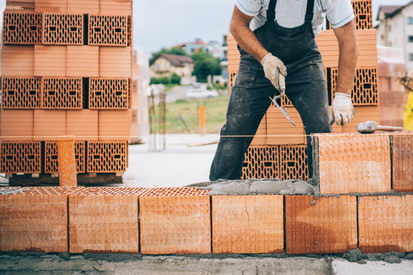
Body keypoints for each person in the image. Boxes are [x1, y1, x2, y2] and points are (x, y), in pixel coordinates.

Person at [210, 0, 358, 181]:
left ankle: (324, 192)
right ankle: (219, 193)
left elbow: (348, 39)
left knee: (320, 130)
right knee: (236, 131)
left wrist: (343, 95)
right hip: (257, 59)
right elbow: (237, 25)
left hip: (304, 59)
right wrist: (265, 59)